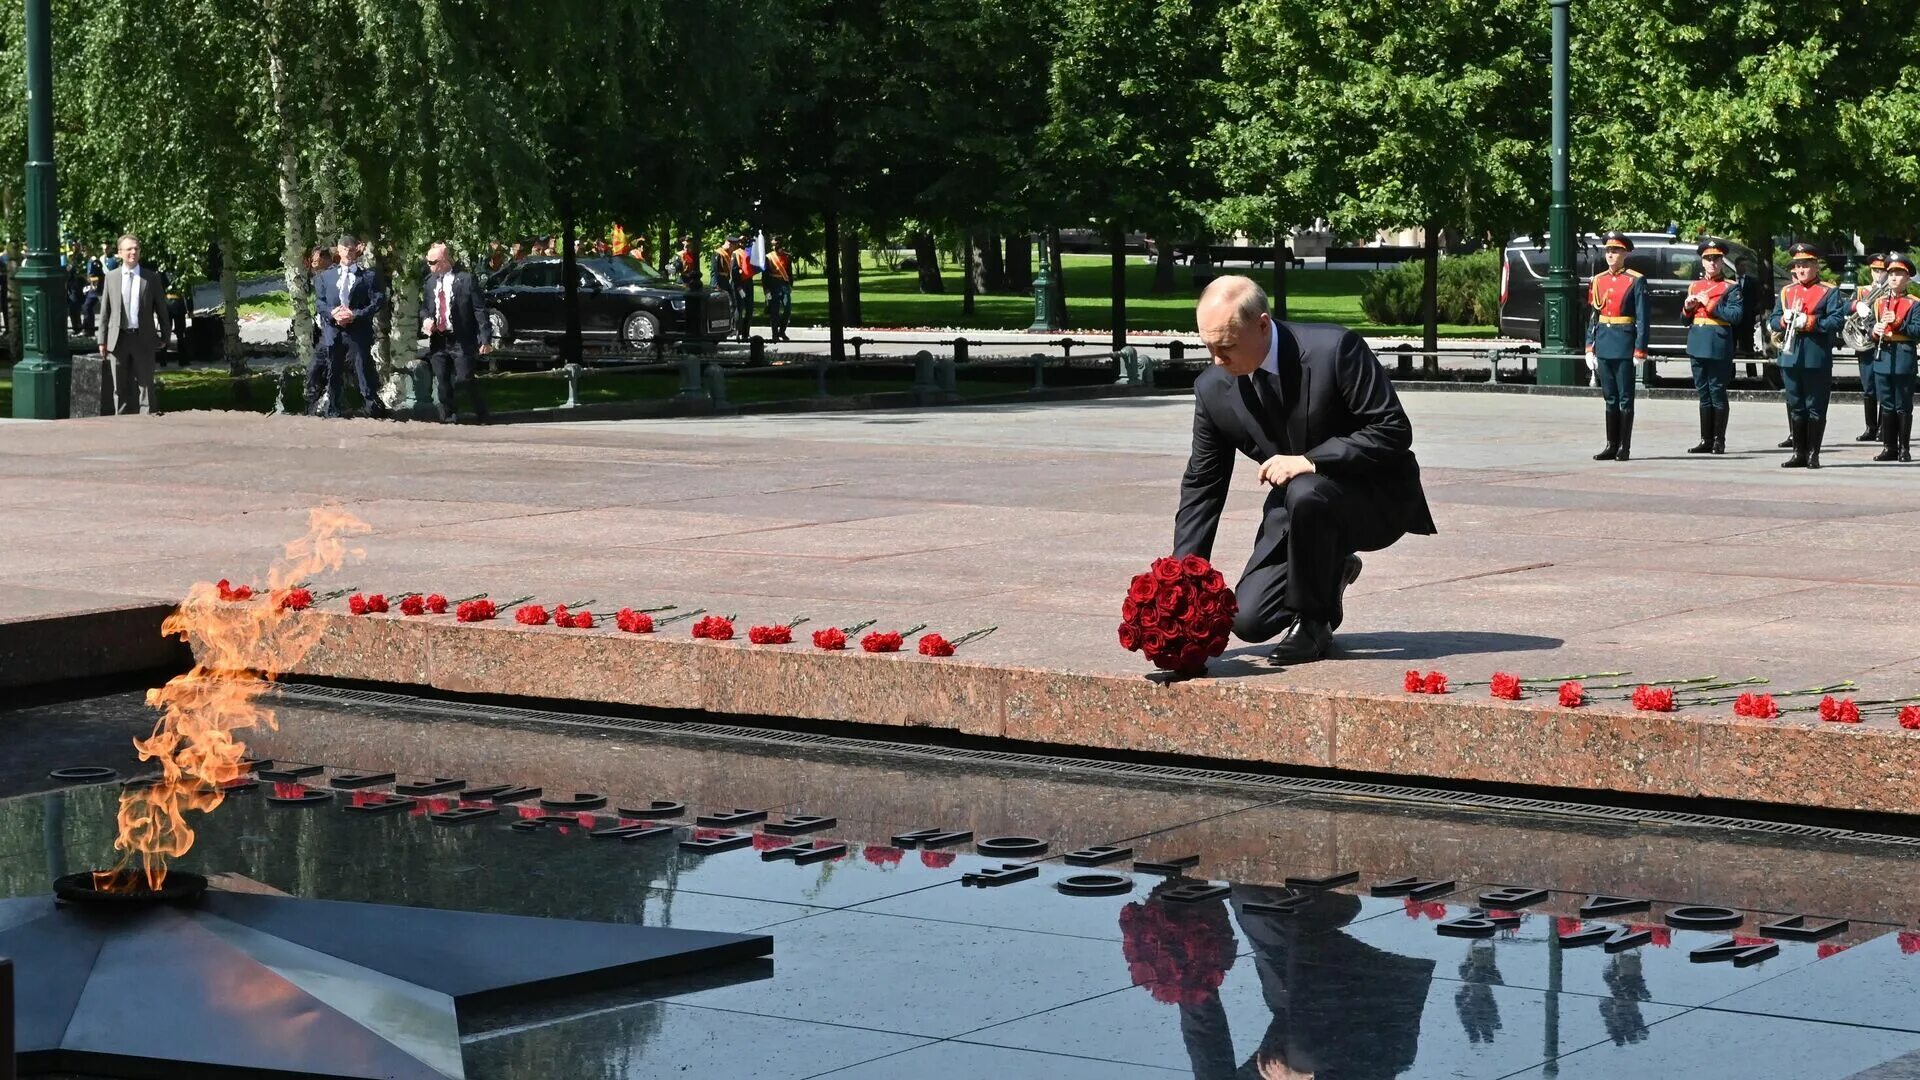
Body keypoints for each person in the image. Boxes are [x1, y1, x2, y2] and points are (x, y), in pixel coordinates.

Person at [1175, 275, 1435, 666]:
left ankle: (1315, 622)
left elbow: (1392, 430)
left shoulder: (1335, 350)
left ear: (1262, 325)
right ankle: (1333, 569)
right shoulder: (1212, 388)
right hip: (1298, 513)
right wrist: (1182, 581)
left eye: (1226, 346)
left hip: (1372, 497)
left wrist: (1313, 461)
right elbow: (1203, 485)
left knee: (1305, 489)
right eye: (1207, 345)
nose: (1216, 359)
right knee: (1248, 619)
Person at [1768, 242, 1847, 468]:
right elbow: (1773, 319)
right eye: (1798, 265)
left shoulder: (1828, 291)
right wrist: (1783, 321)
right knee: (1796, 405)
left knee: (1815, 406)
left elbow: (1836, 321)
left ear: (1816, 266)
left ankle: (1813, 454)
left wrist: (1810, 322)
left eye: (1805, 265)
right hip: (1790, 357)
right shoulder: (1786, 292)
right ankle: (1798, 453)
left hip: (1815, 356)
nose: (1801, 269)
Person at [1584, 232, 1650, 461]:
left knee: (1624, 397)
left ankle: (1624, 446)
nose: (1611, 255)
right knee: (1609, 396)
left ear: (1625, 254)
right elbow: (1593, 316)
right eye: (1608, 251)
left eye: (1616, 251)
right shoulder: (1598, 280)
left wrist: (1640, 349)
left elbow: (1642, 318)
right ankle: (1611, 444)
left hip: (1624, 342)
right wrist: (1589, 346)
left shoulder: (1635, 280)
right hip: (1604, 342)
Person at [310, 233, 389, 419]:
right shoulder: (325, 277)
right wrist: (333, 313)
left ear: (357, 251)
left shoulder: (368, 277)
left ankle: (371, 405)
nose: (348, 253)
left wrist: (355, 314)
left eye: (352, 250)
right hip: (333, 330)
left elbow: (377, 301)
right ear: (338, 250)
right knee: (333, 369)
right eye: (345, 249)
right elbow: (320, 303)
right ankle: (333, 407)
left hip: (357, 330)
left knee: (362, 366)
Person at [94, 233, 172, 415]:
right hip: (118, 339)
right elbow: (105, 311)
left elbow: (161, 309)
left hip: (142, 339)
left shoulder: (150, 278)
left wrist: (166, 335)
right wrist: (101, 340)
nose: (133, 252)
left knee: (146, 385)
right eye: (129, 249)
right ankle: (122, 424)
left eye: (136, 249)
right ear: (120, 253)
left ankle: (148, 421)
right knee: (119, 387)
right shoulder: (111, 278)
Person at [1682, 236, 1744, 454]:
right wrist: (1688, 308)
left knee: (1717, 390)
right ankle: (1705, 439)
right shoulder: (1695, 285)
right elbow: (1684, 320)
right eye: (1708, 259)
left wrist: (1711, 305)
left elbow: (1736, 316)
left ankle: (1719, 440)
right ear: (1702, 261)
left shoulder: (1731, 287)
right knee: (1703, 392)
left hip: (1718, 343)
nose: (1712, 263)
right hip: (1697, 342)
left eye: (1716, 259)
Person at [419, 241, 492, 424]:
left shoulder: (465, 280)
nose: (430, 266)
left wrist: (485, 338)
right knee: (442, 379)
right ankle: (448, 416)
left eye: (433, 262)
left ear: (444, 260)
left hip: (460, 338)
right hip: (439, 339)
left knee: (464, 378)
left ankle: (481, 412)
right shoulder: (429, 283)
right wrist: (427, 320)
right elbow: (425, 308)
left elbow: (479, 310)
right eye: (428, 262)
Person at [1870, 253, 1920, 462]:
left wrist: (1898, 322)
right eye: (1890, 273)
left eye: (1899, 274)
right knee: (1887, 404)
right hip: (1883, 357)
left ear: (1907, 278)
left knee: (1902, 404)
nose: (1893, 278)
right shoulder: (1879, 302)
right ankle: (1889, 447)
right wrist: (1874, 330)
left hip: (1903, 357)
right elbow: (1868, 330)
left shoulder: (1915, 303)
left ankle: (1904, 448)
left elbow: (1918, 330)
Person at [1854, 254, 1891, 442]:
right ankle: (1870, 427)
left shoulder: (1891, 293)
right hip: (1865, 345)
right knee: (1868, 388)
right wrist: (1857, 306)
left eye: (1882, 270)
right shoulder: (1861, 291)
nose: (1879, 274)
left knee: (1884, 388)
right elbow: (1846, 310)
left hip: (1885, 343)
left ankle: (1883, 428)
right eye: (1876, 270)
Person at [300, 246, 336, 413]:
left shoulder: (336, 275)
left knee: (333, 371)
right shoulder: (315, 277)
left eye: (316, 260)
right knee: (314, 369)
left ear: (326, 259)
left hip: (337, 332)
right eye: (312, 261)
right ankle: (311, 406)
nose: (313, 264)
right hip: (322, 334)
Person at [764, 236, 794, 342]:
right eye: (772, 243)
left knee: (787, 308)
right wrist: (766, 290)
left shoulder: (787, 256)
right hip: (773, 284)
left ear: (780, 243)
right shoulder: (768, 257)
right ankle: (775, 334)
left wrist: (790, 285)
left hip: (784, 285)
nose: (773, 245)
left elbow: (789, 273)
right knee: (774, 310)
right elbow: (765, 275)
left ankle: (782, 331)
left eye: (775, 243)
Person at [731, 235, 756, 341]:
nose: (743, 243)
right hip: (739, 283)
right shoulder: (735, 254)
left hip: (749, 282)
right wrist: (738, 286)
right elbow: (734, 270)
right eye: (741, 241)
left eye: (745, 241)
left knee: (749, 308)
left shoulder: (750, 253)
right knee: (739, 308)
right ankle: (738, 331)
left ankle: (746, 332)